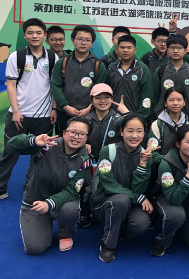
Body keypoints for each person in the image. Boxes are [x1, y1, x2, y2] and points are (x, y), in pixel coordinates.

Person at [8, 117, 93, 254]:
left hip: (59, 204)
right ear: (64, 132)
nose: (76, 137)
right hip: (35, 203)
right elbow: (12, 144)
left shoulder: (85, 160)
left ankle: (65, 234)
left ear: (87, 137)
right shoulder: (47, 145)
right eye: (73, 132)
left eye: (82, 134)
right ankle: (41, 222)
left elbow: (72, 190)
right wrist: (33, 141)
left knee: (70, 208)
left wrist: (49, 204)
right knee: (35, 248)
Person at [0, 18, 57, 199]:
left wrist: (54, 109)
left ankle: (30, 186)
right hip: (19, 115)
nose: (34, 36)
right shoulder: (16, 56)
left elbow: (55, 86)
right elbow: (11, 85)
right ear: (25, 35)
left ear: (45, 35)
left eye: (38, 33)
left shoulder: (53, 57)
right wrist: (16, 111)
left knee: (39, 154)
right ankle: (1, 187)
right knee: (10, 152)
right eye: (30, 33)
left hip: (44, 116)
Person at [92, 114, 159, 262]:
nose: (134, 135)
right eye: (130, 131)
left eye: (139, 131)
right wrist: (137, 197)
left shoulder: (147, 155)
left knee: (141, 223)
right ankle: (108, 245)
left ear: (144, 133)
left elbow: (139, 189)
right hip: (105, 202)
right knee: (121, 200)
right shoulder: (108, 151)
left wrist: (143, 164)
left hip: (131, 204)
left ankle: (121, 231)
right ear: (121, 132)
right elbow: (108, 184)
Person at [78, 83, 129, 229]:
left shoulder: (118, 119)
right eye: (98, 98)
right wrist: (83, 145)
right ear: (91, 100)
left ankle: (112, 212)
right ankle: (86, 213)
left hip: (113, 163)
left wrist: (126, 113)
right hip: (90, 163)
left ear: (112, 99)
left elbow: (136, 128)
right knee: (84, 184)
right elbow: (73, 138)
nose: (102, 101)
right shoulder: (86, 120)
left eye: (106, 97)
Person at [150, 124, 189, 256]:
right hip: (168, 199)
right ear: (178, 144)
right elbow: (174, 199)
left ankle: (179, 228)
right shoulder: (166, 163)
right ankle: (163, 241)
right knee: (176, 216)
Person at [51, 24, 107, 132]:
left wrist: (89, 108)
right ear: (73, 40)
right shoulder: (63, 62)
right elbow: (56, 86)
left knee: (87, 141)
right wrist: (65, 106)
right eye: (80, 39)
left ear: (92, 43)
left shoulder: (98, 65)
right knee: (64, 140)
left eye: (87, 40)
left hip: (90, 113)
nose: (83, 43)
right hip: (64, 113)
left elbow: (100, 91)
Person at [152, 34, 189, 122]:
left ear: (185, 50)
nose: (175, 51)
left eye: (179, 48)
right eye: (172, 47)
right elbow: (154, 96)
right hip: (162, 119)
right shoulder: (161, 71)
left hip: (186, 120)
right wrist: (153, 118)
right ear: (167, 49)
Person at [107, 35, 153, 120]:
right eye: (122, 47)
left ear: (135, 50)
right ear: (117, 49)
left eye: (129, 47)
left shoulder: (142, 69)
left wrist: (140, 117)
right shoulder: (111, 68)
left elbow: (147, 97)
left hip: (135, 117)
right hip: (113, 116)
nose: (125, 50)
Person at [149, 88, 189, 155]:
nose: (175, 103)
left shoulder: (187, 125)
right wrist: (168, 160)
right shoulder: (157, 125)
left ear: (184, 102)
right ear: (165, 103)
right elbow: (153, 152)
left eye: (179, 100)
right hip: (162, 161)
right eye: (171, 100)